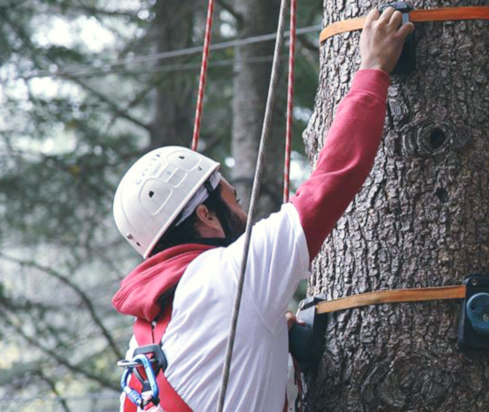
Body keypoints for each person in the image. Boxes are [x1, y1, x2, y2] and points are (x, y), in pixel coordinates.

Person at [111, 8, 414, 412]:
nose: (244, 210)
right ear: (206, 215)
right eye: (233, 199)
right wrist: (374, 67)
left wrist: (264, 340)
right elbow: (334, 179)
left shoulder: (140, 351)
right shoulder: (231, 276)